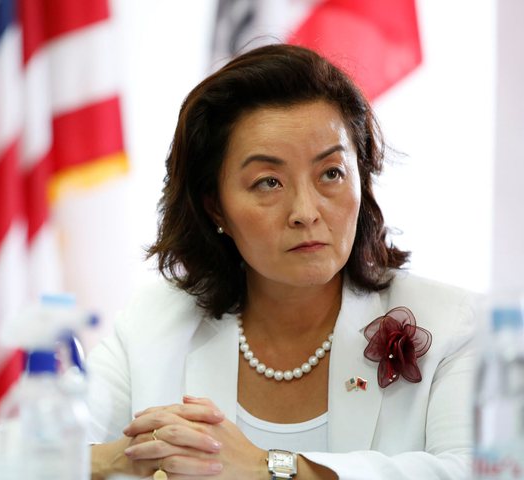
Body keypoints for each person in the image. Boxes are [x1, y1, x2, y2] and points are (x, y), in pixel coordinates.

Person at [86, 44, 477, 480]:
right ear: (216, 208)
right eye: (268, 182)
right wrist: (128, 457)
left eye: (331, 173)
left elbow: (480, 471)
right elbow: (38, 451)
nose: (305, 212)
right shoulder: (150, 323)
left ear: (362, 177)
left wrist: (268, 468)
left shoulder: (452, 325)